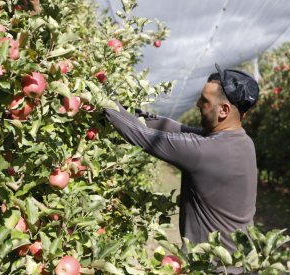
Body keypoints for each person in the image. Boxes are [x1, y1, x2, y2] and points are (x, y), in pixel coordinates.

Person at [104, 63, 260, 256]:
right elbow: (170, 127)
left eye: (205, 101)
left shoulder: (207, 151)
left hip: (215, 268)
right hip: (241, 262)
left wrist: (101, 100)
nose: (197, 104)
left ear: (224, 110)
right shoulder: (242, 142)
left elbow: (142, 134)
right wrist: (125, 108)